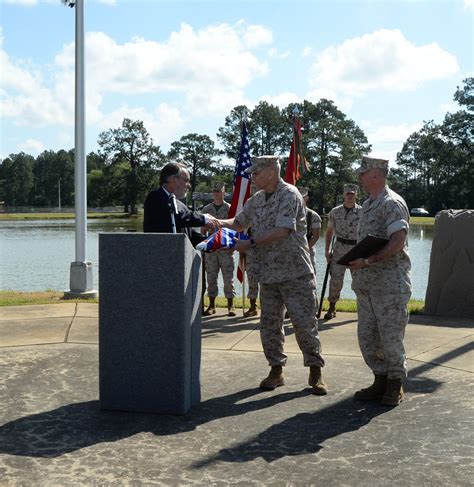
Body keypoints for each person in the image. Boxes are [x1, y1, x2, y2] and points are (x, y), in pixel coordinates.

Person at [217, 155, 327, 395]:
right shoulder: (256, 199)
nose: (252, 177)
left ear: (270, 171)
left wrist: (251, 243)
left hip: (294, 272)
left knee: (304, 324)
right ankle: (276, 370)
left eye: (256, 173)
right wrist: (214, 223)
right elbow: (238, 223)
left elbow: (282, 230)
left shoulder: (290, 195)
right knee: (269, 325)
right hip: (267, 273)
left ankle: (315, 370)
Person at [349, 156, 411, 407]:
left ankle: (395, 384)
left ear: (375, 174)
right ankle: (380, 380)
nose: (360, 178)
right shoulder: (369, 204)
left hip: (389, 286)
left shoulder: (392, 203)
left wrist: (370, 260)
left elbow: (398, 241)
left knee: (390, 336)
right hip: (367, 286)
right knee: (368, 337)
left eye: (363, 173)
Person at [143, 162, 218, 245]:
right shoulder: (155, 197)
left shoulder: (180, 205)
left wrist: (215, 241)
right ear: (173, 179)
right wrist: (204, 219)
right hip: (158, 254)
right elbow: (178, 217)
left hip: (178, 256)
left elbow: (190, 236)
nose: (189, 185)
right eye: (186, 180)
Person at [324, 184, 361, 319]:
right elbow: (329, 232)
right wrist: (327, 250)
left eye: (352, 194)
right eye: (348, 194)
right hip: (339, 248)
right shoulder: (335, 212)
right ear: (344, 195)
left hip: (356, 249)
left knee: (359, 281)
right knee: (336, 280)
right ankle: (332, 308)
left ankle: (363, 309)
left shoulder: (363, 212)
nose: (350, 196)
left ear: (356, 195)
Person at [201, 181, 236, 317]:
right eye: (214, 191)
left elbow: (235, 228)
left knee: (228, 278)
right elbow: (202, 230)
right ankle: (211, 305)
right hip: (211, 249)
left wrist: (234, 245)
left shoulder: (230, 209)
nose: (216, 194)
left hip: (225, 248)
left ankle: (230, 305)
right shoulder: (206, 210)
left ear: (224, 192)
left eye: (219, 191)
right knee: (211, 277)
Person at [298, 187, 321, 280]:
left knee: (310, 278)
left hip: (307, 251)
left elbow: (316, 236)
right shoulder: (287, 213)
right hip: (290, 252)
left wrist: (305, 249)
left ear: (307, 198)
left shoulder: (313, 216)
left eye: (302, 197)